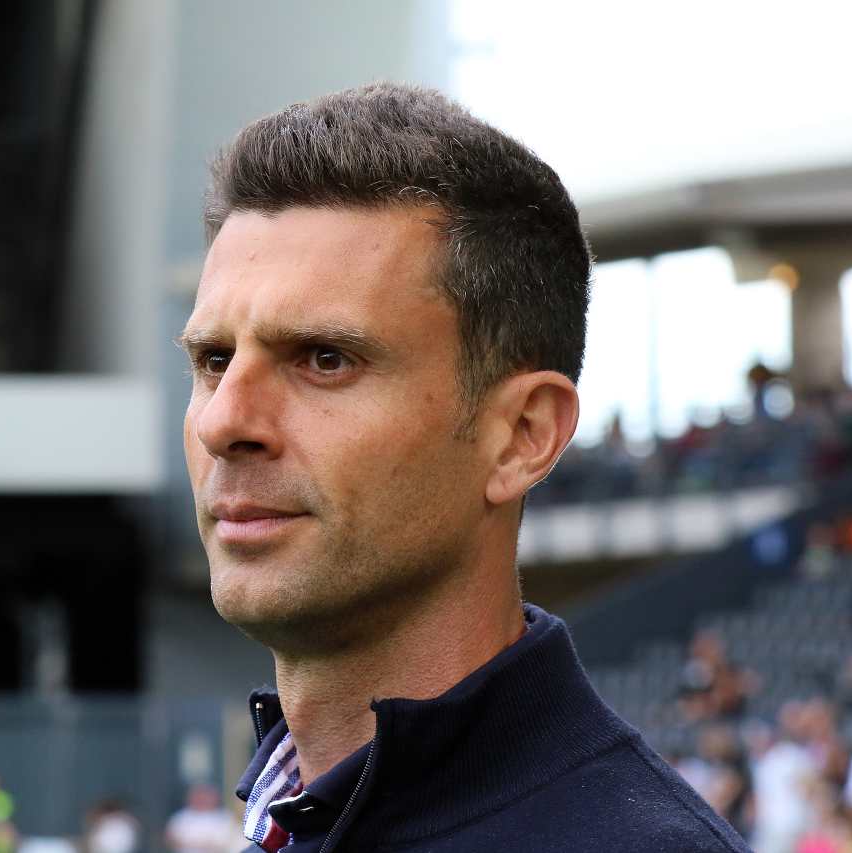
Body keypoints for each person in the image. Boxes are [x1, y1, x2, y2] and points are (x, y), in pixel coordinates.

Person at [180, 82, 750, 852]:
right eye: (215, 360)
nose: (223, 422)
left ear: (521, 435)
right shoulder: (290, 814)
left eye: (325, 359)